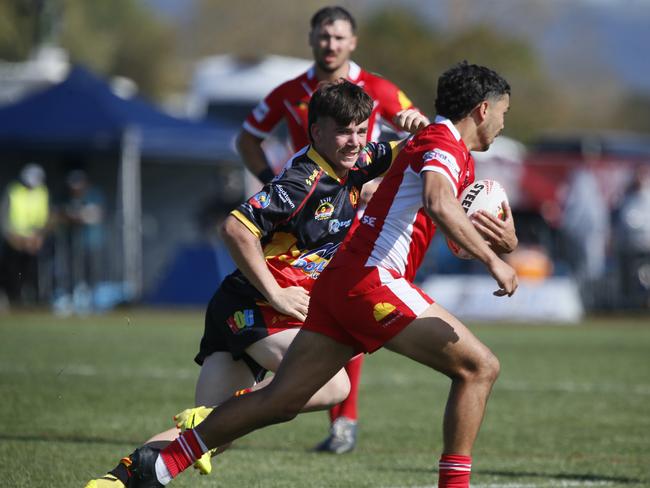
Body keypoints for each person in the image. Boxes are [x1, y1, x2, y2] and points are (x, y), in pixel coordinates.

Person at [120, 61, 519, 488]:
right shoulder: (440, 143)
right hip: (365, 280)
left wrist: (505, 242)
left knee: (282, 399)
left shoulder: (431, 145)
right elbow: (439, 203)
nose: (501, 123)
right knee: (480, 368)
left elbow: (448, 225)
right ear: (482, 109)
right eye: (503, 113)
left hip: (338, 283)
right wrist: (495, 262)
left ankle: (158, 466)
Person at [84, 81, 429, 488]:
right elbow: (234, 229)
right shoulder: (303, 181)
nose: (354, 142)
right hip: (252, 308)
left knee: (209, 437)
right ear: (315, 131)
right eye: (344, 132)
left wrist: (418, 128)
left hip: (251, 309)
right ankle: (223, 415)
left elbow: (411, 151)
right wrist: (277, 293)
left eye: (360, 131)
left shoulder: (354, 160)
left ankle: (114, 482)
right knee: (334, 384)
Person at [238, 5, 424, 453]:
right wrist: (275, 189)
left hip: (359, 222)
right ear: (312, 39)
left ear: (352, 43)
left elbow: (415, 130)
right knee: (302, 307)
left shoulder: (377, 88)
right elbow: (247, 138)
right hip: (300, 225)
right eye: (324, 36)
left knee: (344, 313)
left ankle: (343, 420)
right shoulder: (288, 91)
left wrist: (384, 174)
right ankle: (247, 393)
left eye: (339, 37)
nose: (331, 45)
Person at [0, 163, 50, 306]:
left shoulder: (42, 192)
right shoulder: (14, 191)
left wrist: (38, 237)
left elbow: (44, 218)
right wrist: (12, 237)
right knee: (11, 272)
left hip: (32, 241)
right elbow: (4, 217)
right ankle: (12, 299)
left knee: (31, 272)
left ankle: (31, 300)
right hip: (14, 241)